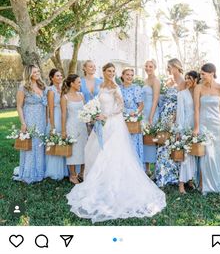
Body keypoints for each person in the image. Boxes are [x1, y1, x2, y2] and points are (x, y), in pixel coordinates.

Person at [66, 63, 166, 223]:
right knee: (93, 150)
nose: (112, 73)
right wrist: (95, 113)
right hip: (101, 123)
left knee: (111, 153)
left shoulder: (115, 87)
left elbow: (120, 106)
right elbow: (98, 103)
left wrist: (106, 115)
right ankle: (99, 183)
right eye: (109, 71)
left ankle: (114, 184)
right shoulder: (101, 85)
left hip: (113, 123)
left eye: (113, 71)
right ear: (103, 72)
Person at [193, 63, 220, 194]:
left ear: (211, 73)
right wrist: (197, 127)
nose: (201, 76)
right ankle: (205, 184)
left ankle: (217, 180)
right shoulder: (198, 88)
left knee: (216, 153)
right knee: (206, 154)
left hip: (216, 125)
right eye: (201, 74)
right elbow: (197, 109)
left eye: (203, 74)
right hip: (203, 125)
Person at [155, 58, 185, 187]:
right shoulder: (168, 81)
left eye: (169, 67)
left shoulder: (183, 82)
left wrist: (176, 117)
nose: (168, 69)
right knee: (162, 144)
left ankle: (174, 175)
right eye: (167, 67)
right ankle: (162, 174)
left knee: (174, 144)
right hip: (165, 115)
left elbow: (183, 103)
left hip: (176, 116)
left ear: (176, 66)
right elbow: (163, 100)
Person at [15, 64, 47, 184]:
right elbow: (19, 106)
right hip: (30, 118)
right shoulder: (23, 88)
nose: (37, 73)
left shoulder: (42, 85)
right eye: (34, 72)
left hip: (42, 118)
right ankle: (29, 172)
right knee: (31, 145)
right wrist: (23, 123)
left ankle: (41, 171)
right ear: (29, 74)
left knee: (41, 144)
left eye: (38, 71)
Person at [61, 74, 88, 184]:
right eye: (78, 82)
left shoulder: (81, 95)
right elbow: (63, 115)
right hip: (71, 125)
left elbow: (86, 111)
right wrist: (63, 131)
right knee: (72, 150)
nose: (80, 84)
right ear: (72, 84)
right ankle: (72, 175)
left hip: (82, 126)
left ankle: (82, 173)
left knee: (84, 149)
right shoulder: (65, 97)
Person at [176, 71, 199, 194]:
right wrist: (179, 131)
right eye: (186, 78)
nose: (187, 80)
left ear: (196, 79)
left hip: (197, 126)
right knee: (185, 155)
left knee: (195, 153)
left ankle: (190, 180)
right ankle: (181, 184)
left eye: (189, 78)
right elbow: (180, 113)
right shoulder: (182, 94)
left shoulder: (198, 93)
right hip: (185, 126)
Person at [44, 69, 68, 180]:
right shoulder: (51, 90)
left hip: (64, 116)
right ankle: (54, 170)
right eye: (57, 76)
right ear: (51, 78)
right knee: (55, 142)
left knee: (63, 141)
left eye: (61, 75)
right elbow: (51, 109)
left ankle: (65, 168)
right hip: (55, 117)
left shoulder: (63, 88)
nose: (60, 77)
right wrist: (52, 125)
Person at [120, 67, 144, 163]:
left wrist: (135, 113)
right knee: (123, 144)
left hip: (133, 120)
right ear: (122, 75)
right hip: (121, 119)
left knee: (133, 144)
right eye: (127, 74)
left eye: (131, 75)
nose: (129, 77)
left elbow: (141, 105)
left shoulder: (136, 88)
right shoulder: (119, 88)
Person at [143, 59, 160, 176]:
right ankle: (147, 168)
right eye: (146, 66)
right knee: (145, 140)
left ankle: (155, 170)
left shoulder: (156, 81)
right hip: (143, 112)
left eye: (150, 66)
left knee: (153, 140)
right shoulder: (145, 80)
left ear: (154, 68)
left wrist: (151, 117)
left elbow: (155, 100)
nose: (148, 68)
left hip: (151, 112)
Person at [80, 60, 103, 135]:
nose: (93, 68)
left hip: (98, 115)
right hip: (84, 116)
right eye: (90, 66)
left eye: (94, 66)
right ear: (84, 68)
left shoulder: (101, 82)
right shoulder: (80, 82)